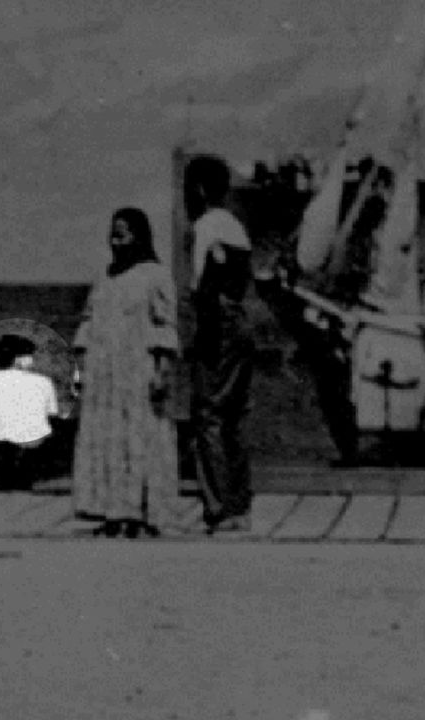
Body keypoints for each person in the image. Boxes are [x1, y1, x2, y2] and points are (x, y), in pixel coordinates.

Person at [72, 207, 188, 538]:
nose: (115, 239)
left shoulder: (156, 276)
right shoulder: (105, 275)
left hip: (138, 371)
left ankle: (140, 511)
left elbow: (165, 325)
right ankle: (112, 511)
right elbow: (88, 320)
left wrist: (162, 371)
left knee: (139, 436)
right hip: (104, 374)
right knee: (108, 437)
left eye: (123, 232)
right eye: (112, 232)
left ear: (139, 234)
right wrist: (81, 366)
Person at [185, 154, 256, 533]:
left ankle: (219, 507)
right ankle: (240, 504)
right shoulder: (236, 227)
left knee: (208, 415)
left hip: (217, 322)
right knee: (234, 419)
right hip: (241, 321)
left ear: (197, 189)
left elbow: (201, 287)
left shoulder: (206, 226)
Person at [0, 334, 59, 493]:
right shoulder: (43, 382)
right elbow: (52, 415)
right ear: (19, 359)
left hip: (3, 445)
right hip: (38, 445)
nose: (33, 361)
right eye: (30, 357)